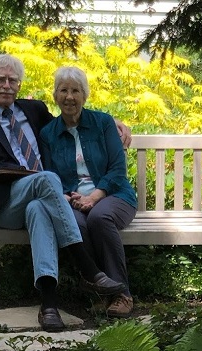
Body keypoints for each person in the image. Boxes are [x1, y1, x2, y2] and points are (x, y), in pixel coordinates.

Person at [0, 54, 131, 332]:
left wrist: (115, 123)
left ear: (19, 85)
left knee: (39, 207)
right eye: (0, 79)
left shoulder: (33, 110)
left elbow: (71, 117)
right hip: (6, 203)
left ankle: (49, 306)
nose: (6, 85)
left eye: (12, 80)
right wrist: (22, 174)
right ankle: (87, 268)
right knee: (46, 178)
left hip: (41, 199)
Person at [40, 66, 137, 318]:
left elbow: (117, 169)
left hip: (113, 195)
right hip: (74, 201)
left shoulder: (103, 123)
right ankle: (100, 294)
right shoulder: (48, 133)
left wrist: (94, 196)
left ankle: (122, 293)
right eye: (63, 90)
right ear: (55, 96)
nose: (69, 97)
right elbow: (51, 174)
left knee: (99, 217)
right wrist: (67, 195)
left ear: (85, 95)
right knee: (75, 225)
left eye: (75, 91)